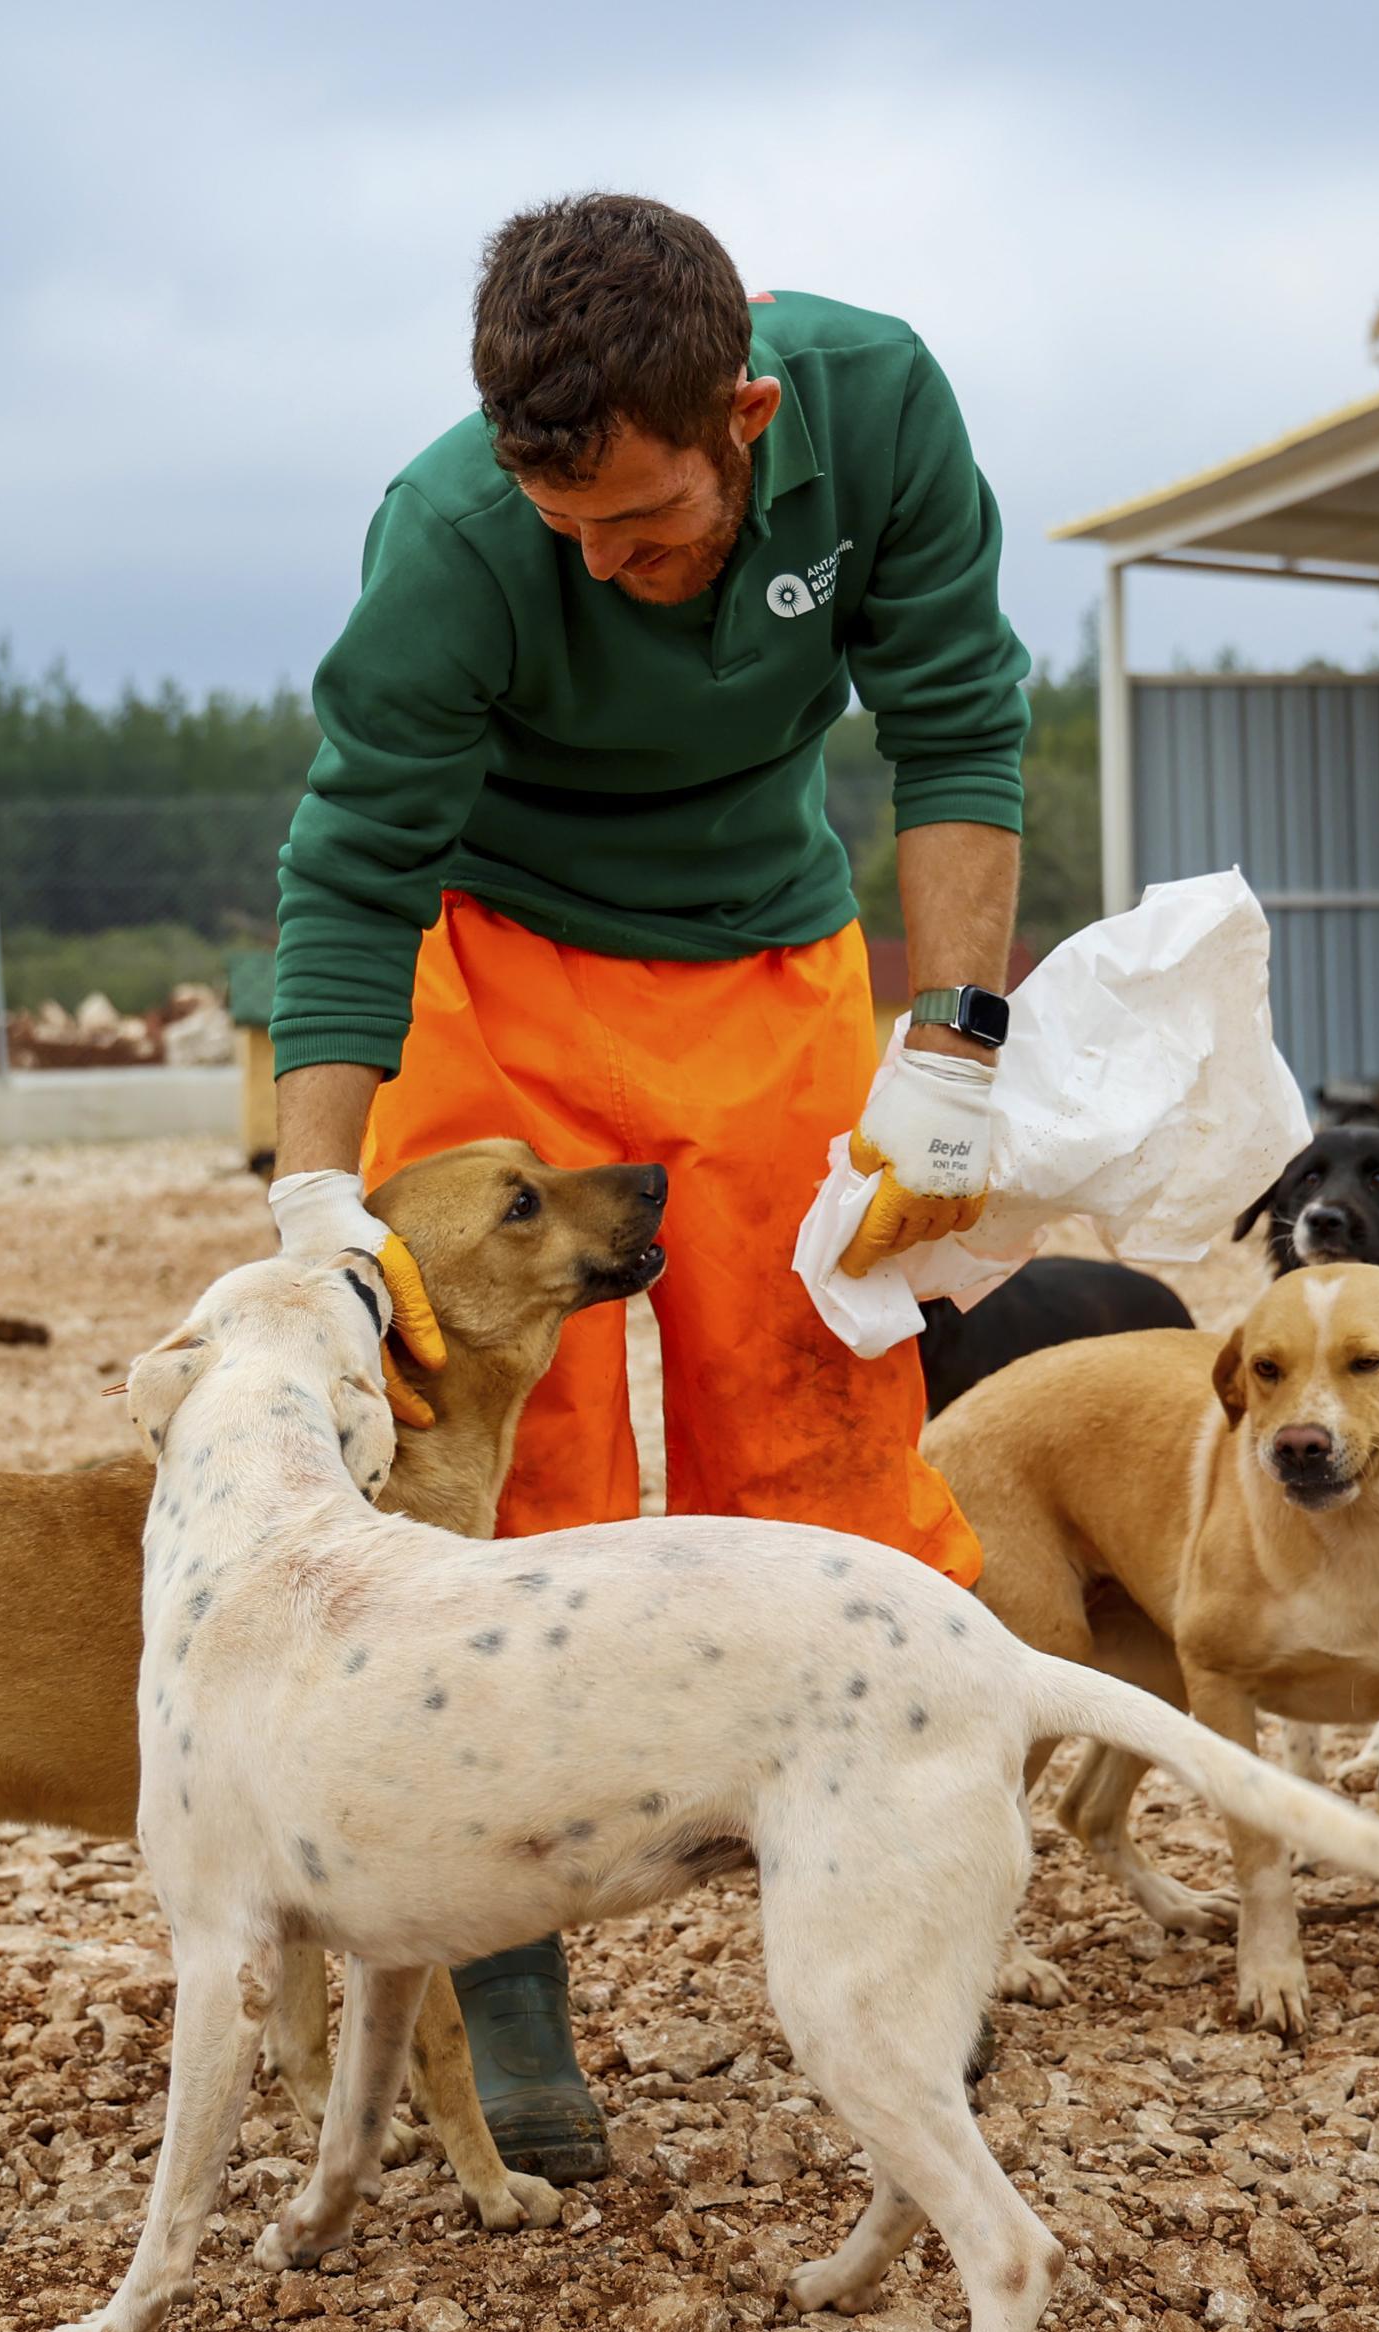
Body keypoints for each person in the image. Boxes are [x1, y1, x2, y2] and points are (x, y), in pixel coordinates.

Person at [262, 192, 1029, 2182]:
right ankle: (507, 1994)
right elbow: (347, 873)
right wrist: (310, 1214)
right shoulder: (450, 544)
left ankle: (910, 1932)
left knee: (832, 1421)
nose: (608, 565)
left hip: (769, 951)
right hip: (495, 963)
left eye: (644, 523)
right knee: (503, 1465)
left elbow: (953, 720)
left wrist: (953, 1047)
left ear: (751, 414)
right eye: (571, 536)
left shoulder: (881, 413)